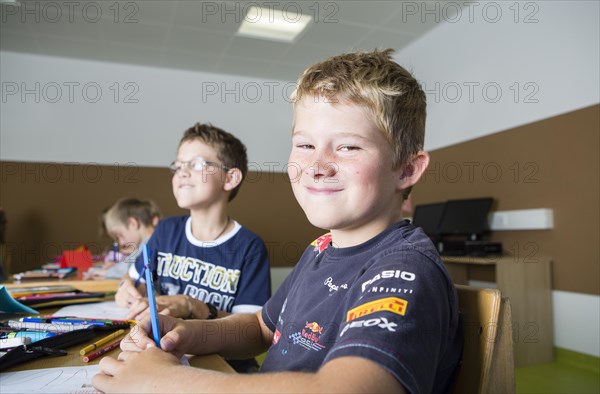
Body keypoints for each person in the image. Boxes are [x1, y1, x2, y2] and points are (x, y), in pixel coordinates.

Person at [94, 49, 462, 393]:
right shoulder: (321, 249)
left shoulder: (404, 271)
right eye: (305, 145)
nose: (317, 166)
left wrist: (169, 382)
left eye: (348, 146)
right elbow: (261, 327)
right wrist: (192, 333)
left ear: (407, 170)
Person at [114, 123, 271, 372]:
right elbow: (134, 278)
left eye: (197, 164)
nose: (182, 173)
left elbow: (251, 330)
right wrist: (127, 288)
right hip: (165, 359)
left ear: (230, 178)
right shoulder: (165, 230)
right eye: (178, 165)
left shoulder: (250, 247)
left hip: (223, 367)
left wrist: (192, 305)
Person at [85, 198, 161, 280]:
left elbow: (133, 266)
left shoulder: (151, 242)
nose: (121, 242)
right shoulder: (149, 242)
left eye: (120, 235)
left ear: (132, 223)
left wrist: (108, 272)